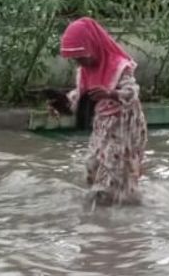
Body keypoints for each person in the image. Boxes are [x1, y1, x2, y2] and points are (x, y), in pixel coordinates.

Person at [57, 17, 148, 206]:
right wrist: (63, 104)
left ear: (93, 46)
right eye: (76, 58)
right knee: (92, 165)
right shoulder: (85, 70)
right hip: (103, 124)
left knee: (114, 170)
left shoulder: (119, 65)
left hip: (124, 125)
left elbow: (132, 93)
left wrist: (111, 93)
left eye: (82, 55)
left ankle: (123, 212)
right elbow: (80, 95)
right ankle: (101, 211)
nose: (80, 61)